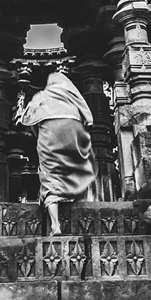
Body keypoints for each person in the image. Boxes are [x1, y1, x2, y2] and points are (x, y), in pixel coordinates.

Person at [20, 71, 96, 235]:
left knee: (51, 177)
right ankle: (81, 211)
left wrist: (42, 141)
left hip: (49, 135)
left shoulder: (42, 97)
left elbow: (31, 122)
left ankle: (56, 226)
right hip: (74, 132)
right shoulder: (71, 98)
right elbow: (86, 119)